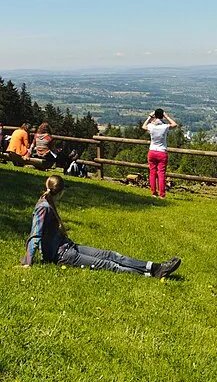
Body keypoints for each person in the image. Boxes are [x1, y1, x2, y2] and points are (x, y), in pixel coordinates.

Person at [20, 175, 181, 277]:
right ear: (61, 192)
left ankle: (154, 266)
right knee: (109, 265)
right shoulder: (43, 208)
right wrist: (28, 261)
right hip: (63, 255)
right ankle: (151, 274)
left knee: (112, 255)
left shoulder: (48, 203)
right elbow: (36, 234)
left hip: (69, 247)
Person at [143, 109, 178, 198]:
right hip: (162, 152)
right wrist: (167, 116)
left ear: (155, 116)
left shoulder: (151, 126)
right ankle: (162, 194)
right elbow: (174, 124)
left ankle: (154, 193)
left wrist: (149, 117)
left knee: (152, 173)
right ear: (162, 116)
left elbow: (143, 126)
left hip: (152, 151)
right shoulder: (164, 127)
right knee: (161, 174)